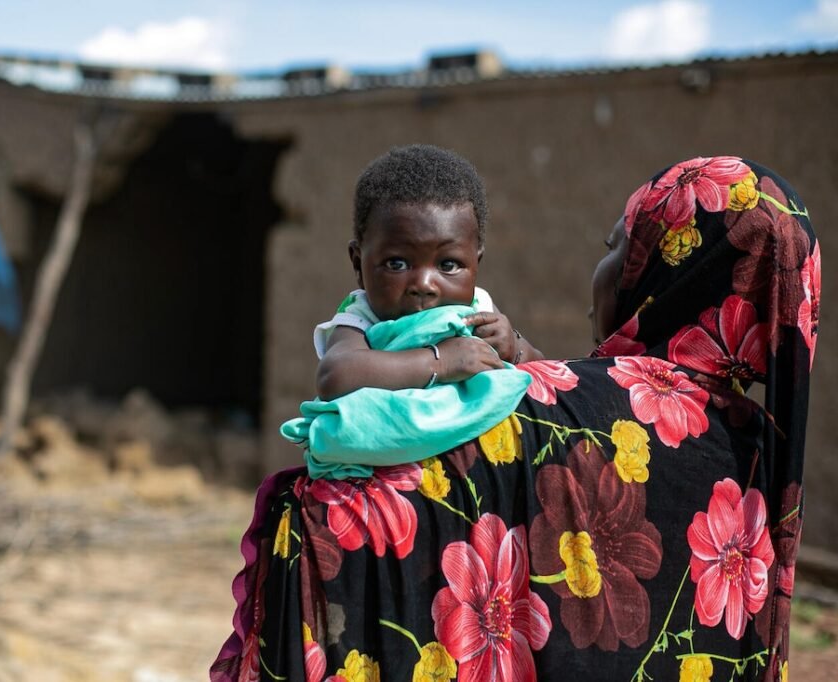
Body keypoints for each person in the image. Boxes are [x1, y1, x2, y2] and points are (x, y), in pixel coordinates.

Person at [211, 156, 819, 682]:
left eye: (617, 248)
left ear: (664, 270)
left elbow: (354, 533)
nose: (423, 285)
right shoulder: (763, 454)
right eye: (398, 263)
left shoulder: (522, 405)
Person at [315, 144, 543, 402]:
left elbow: (545, 369)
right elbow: (334, 376)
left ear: (476, 263)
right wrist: (441, 362)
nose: (423, 285)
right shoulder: (362, 318)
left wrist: (514, 348)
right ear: (358, 264)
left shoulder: (479, 309)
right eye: (397, 264)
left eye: (448, 265)